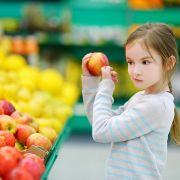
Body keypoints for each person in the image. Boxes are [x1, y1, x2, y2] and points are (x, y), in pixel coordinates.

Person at [81, 22, 180, 180]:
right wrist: (92, 83)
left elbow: (101, 132)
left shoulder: (155, 106)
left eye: (145, 62)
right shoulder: (142, 98)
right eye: (130, 62)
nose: (135, 71)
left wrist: (105, 89)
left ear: (169, 63)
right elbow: (99, 122)